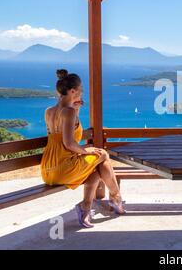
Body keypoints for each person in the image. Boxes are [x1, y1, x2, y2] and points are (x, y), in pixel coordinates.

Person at [40, 69, 125, 228]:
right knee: (103, 154)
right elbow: (69, 143)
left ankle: (86, 208)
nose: (82, 93)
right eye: (81, 90)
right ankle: (116, 196)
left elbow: (60, 138)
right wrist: (88, 150)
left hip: (48, 169)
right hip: (63, 168)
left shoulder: (49, 111)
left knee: (95, 171)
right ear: (72, 91)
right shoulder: (69, 112)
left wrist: (76, 110)